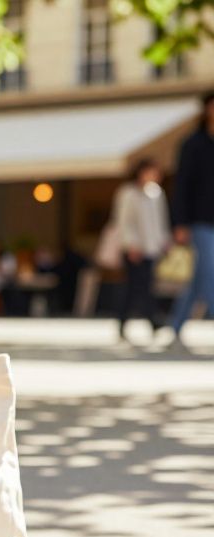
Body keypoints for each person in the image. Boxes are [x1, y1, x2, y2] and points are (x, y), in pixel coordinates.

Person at [170, 90, 214, 347]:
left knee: (199, 279)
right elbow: (182, 185)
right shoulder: (193, 144)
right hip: (200, 221)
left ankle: (175, 327)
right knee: (210, 273)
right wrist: (180, 222)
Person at [111, 158, 170, 342]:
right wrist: (130, 245)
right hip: (134, 250)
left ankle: (145, 321)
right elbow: (123, 221)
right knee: (135, 287)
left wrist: (164, 242)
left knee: (144, 286)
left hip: (151, 248)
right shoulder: (128, 193)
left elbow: (161, 220)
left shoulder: (156, 193)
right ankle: (148, 321)